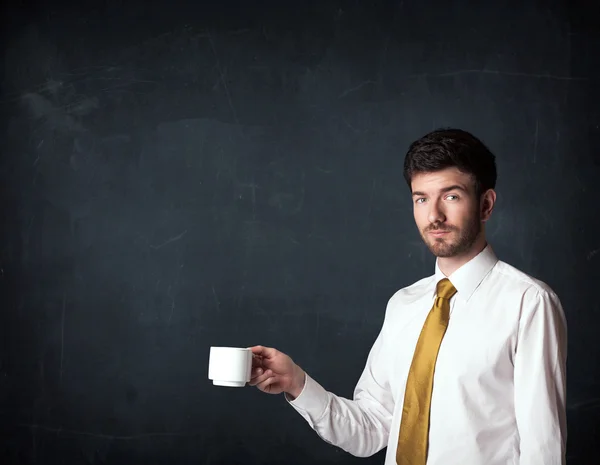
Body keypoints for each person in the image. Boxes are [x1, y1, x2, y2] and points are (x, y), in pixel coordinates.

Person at [248, 128, 568, 465]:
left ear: (486, 204)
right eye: (421, 198)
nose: (434, 216)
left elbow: (542, 450)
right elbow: (371, 428)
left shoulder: (528, 303)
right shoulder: (404, 305)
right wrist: (296, 382)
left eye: (452, 196)